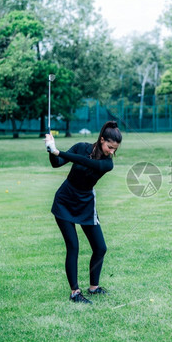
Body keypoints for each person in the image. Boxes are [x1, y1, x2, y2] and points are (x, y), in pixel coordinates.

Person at [44, 121, 122, 304]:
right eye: (110, 147)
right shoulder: (81, 147)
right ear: (102, 140)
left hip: (86, 202)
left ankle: (94, 287)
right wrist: (51, 150)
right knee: (73, 246)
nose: (111, 152)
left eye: (114, 149)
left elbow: (85, 162)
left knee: (100, 247)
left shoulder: (107, 163)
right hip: (65, 200)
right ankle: (75, 292)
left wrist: (58, 151)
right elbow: (57, 163)